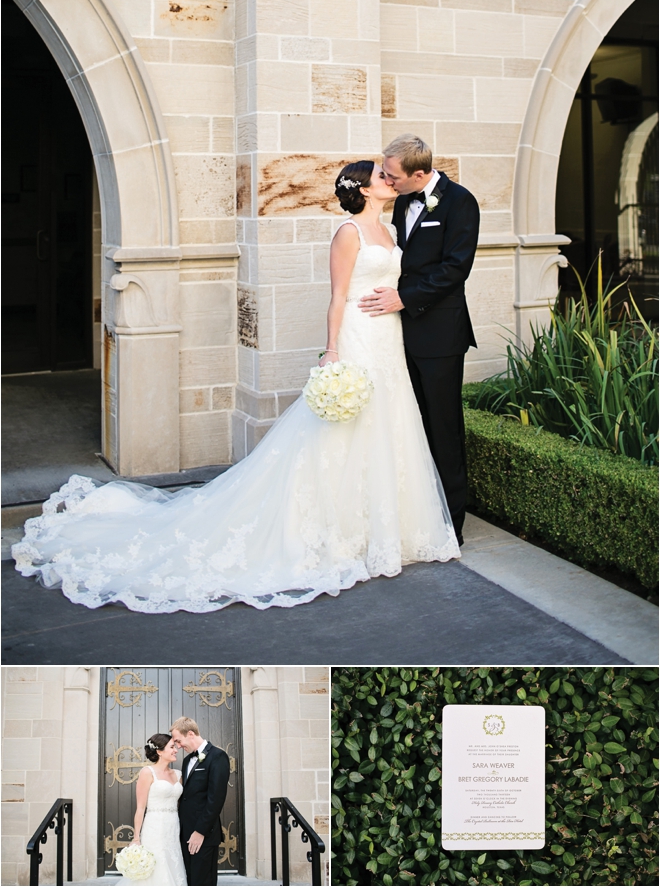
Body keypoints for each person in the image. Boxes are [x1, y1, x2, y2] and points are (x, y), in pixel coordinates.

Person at [12, 160, 460, 613]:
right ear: (362, 190)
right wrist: (332, 352)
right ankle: (339, 532)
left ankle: (387, 531)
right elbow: (338, 296)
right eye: (381, 177)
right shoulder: (349, 234)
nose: (391, 180)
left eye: (390, 176)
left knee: (389, 424)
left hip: (389, 339)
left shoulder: (394, 229)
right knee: (345, 429)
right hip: (358, 338)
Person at [358, 134, 480, 545]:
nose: (388, 182)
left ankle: (451, 525)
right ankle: (418, 516)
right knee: (408, 427)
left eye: (393, 176)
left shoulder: (460, 202)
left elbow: (454, 269)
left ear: (421, 174)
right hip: (396, 336)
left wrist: (403, 298)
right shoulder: (404, 201)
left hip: (440, 335)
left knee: (443, 428)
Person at [170, 718, 230, 887]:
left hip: (203, 834)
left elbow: (216, 799)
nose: (178, 746)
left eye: (178, 741)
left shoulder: (218, 757)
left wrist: (200, 831)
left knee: (202, 881)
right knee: (188, 880)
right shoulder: (187, 761)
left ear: (190, 734)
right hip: (184, 832)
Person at [127, 733, 186, 886]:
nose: (176, 750)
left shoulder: (178, 775)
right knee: (157, 867)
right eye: (172, 747)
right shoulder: (147, 772)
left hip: (173, 827)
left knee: (173, 862)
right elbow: (140, 808)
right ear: (159, 751)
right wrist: (136, 838)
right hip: (155, 827)